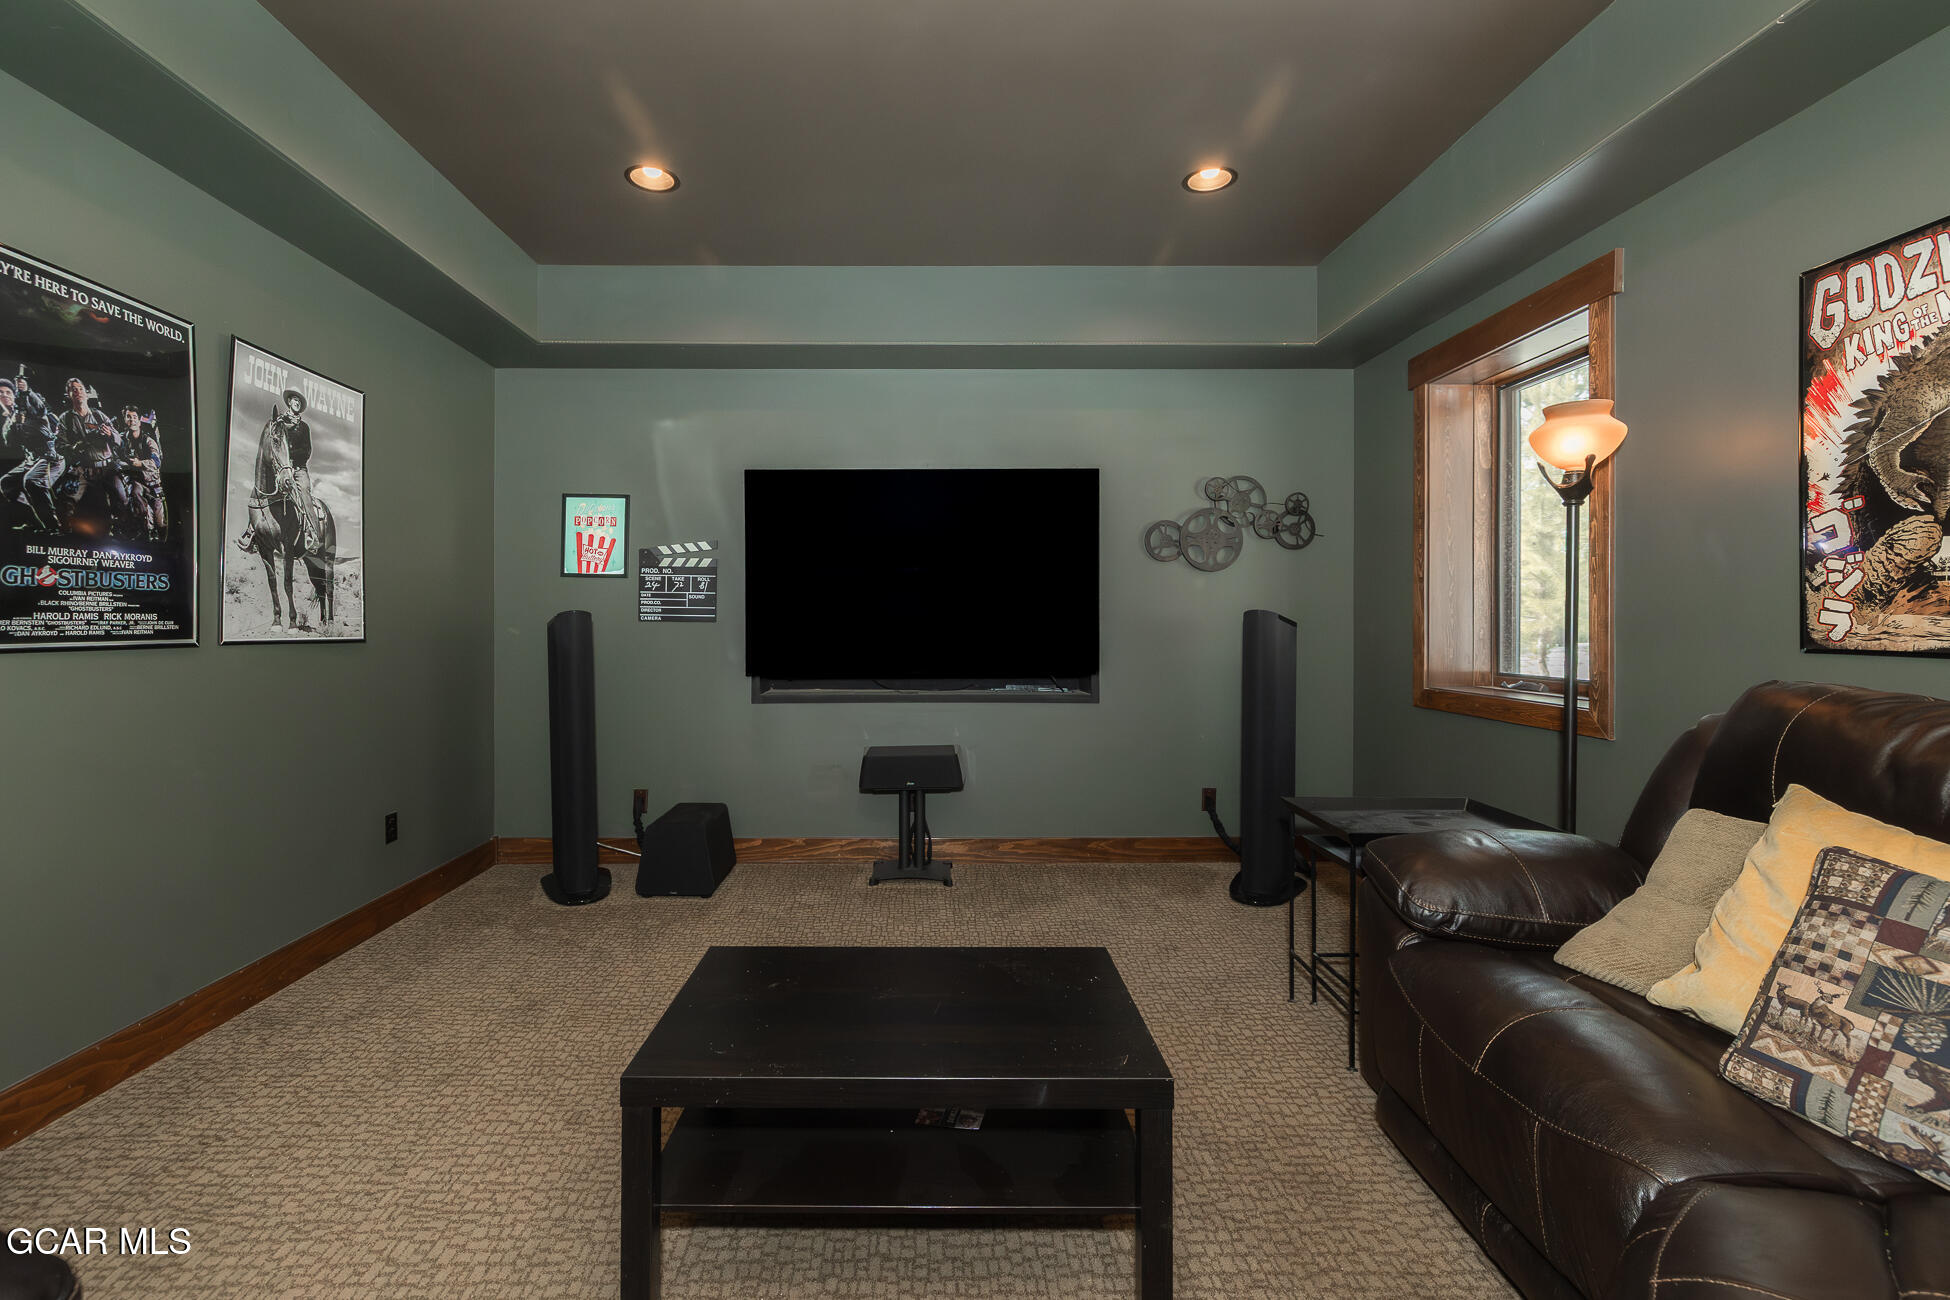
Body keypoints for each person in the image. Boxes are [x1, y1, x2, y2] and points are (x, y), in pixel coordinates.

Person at [237, 388, 319, 551]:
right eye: (295, 400)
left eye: (300, 402)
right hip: (280, 467)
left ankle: (312, 534)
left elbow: (307, 451)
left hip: (297, 469)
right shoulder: (280, 422)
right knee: (262, 488)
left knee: (303, 492)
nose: (297, 402)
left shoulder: (304, 427)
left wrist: (288, 454)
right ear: (289, 402)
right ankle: (252, 532)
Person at [54, 377, 127, 526]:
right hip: (82, 469)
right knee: (67, 503)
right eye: (73, 389)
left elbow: (120, 441)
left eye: (80, 389)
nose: (78, 392)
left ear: (86, 394)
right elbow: (58, 445)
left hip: (107, 468)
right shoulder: (65, 419)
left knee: (122, 500)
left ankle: (122, 532)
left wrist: (110, 435)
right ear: (68, 394)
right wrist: (75, 447)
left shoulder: (99, 416)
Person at [0, 372, 63, 532]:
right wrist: (14, 421)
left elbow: (40, 408)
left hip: (50, 457)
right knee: (7, 483)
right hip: (31, 461)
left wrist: (26, 391)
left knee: (32, 481)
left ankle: (52, 526)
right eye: (0, 393)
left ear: (15, 395)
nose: (4, 395)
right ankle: (33, 520)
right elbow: (10, 442)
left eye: (8, 392)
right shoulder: (9, 421)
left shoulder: (30, 406)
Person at [119, 404, 165, 540]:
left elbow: (156, 463)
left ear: (139, 420)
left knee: (159, 519)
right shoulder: (121, 440)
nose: (131, 420)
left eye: (134, 417)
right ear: (125, 420)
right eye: (128, 417)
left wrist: (140, 463)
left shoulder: (148, 441)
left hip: (152, 482)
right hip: (135, 480)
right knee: (137, 498)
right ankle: (146, 532)